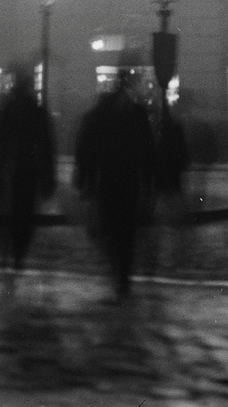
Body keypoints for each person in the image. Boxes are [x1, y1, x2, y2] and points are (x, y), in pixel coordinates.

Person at [73, 71, 155, 302]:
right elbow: (148, 152)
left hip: (109, 180)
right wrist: (148, 184)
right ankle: (122, 277)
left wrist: (84, 181)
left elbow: (85, 148)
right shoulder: (136, 113)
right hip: (126, 180)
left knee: (113, 229)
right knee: (123, 231)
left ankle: (119, 274)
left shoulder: (100, 114)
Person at [0, 67, 57, 274]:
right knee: (24, 215)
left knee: (5, 213)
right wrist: (48, 177)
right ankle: (18, 253)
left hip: (6, 172)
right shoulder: (36, 110)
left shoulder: (5, 109)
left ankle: (6, 251)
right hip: (27, 173)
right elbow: (46, 146)